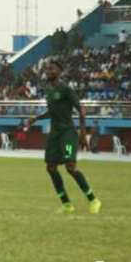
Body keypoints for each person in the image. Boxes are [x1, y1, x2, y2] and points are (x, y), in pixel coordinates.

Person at [26, 59, 102, 215]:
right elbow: (52, 111)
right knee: (50, 167)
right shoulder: (47, 90)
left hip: (68, 133)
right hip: (55, 134)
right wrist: (37, 118)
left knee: (70, 167)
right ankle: (67, 204)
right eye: (47, 69)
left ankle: (93, 200)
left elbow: (81, 110)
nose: (48, 71)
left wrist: (82, 133)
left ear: (59, 72)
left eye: (52, 69)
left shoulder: (66, 89)